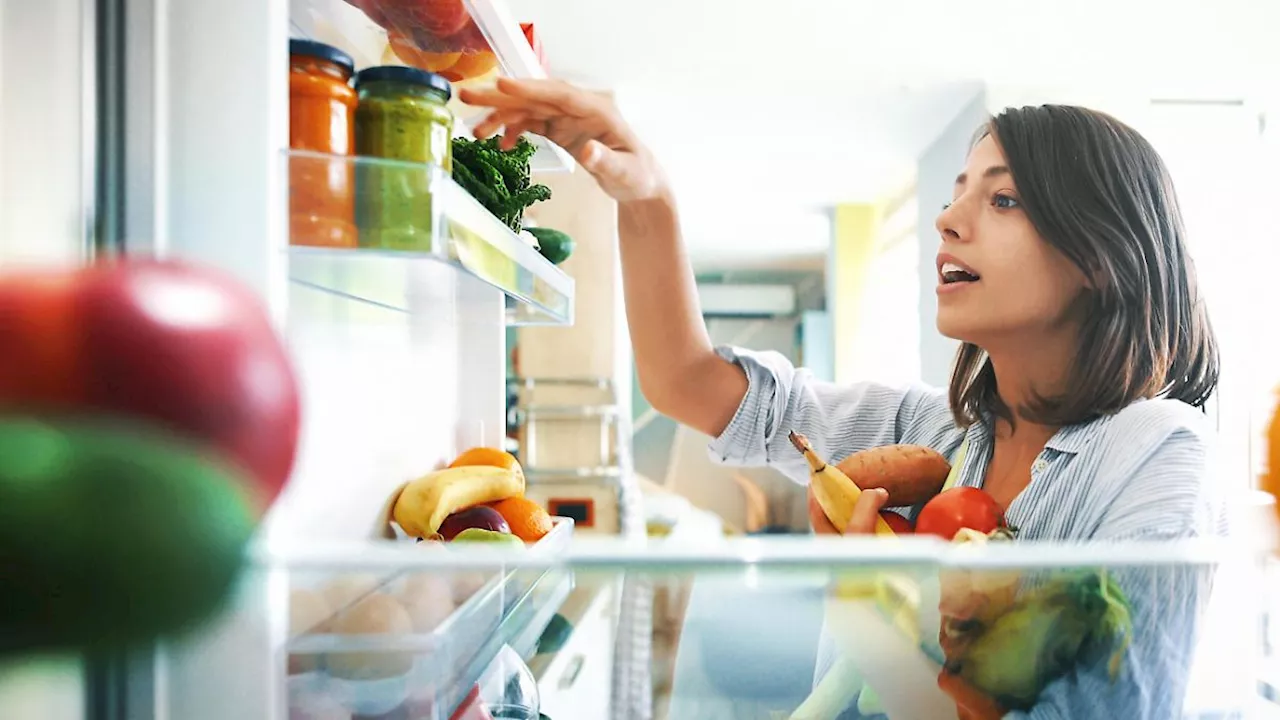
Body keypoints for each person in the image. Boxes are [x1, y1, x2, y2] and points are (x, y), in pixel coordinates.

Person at [460, 78, 1226, 719]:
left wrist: (863, 606)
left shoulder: (1157, 454)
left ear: (1101, 254)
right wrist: (646, 196)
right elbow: (688, 383)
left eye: (1003, 201)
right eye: (959, 192)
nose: (948, 218)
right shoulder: (937, 432)